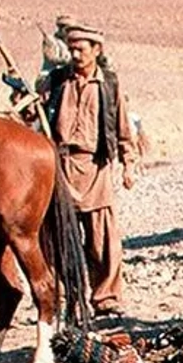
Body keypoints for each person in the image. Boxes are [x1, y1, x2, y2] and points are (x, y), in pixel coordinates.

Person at [38, 22, 136, 315]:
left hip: (95, 167)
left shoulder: (109, 84)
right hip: (61, 166)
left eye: (81, 49)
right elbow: (35, 112)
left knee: (102, 239)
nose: (76, 55)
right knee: (60, 238)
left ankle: (106, 298)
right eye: (72, 50)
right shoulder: (57, 81)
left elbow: (122, 129)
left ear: (97, 50)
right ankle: (68, 299)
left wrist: (129, 164)